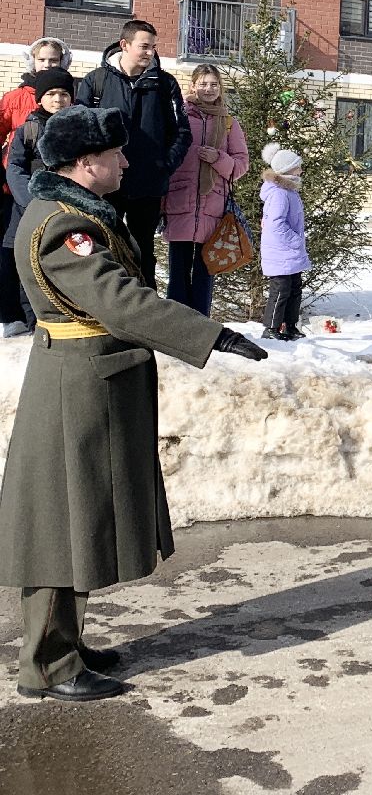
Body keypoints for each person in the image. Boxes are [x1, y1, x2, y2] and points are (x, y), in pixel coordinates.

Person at [0, 106, 265, 702]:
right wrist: (206, 333)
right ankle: (47, 664)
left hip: (87, 381)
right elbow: (119, 301)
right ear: (84, 163)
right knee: (61, 527)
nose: (126, 162)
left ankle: (64, 643)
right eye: (116, 154)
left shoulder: (73, 214)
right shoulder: (66, 228)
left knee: (78, 520)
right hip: (79, 388)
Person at [75, 20, 191, 287]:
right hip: (104, 185)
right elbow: (81, 129)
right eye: (144, 46)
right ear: (125, 45)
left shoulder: (164, 84)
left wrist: (163, 166)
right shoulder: (97, 81)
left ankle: (147, 314)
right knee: (104, 248)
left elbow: (182, 132)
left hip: (147, 184)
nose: (150, 52)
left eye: (153, 47)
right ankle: (107, 307)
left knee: (143, 252)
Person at [163, 65, 249, 316]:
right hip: (180, 202)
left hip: (213, 206)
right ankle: (176, 327)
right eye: (203, 84)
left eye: (213, 84)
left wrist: (217, 158)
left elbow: (241, 165)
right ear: (192, 86)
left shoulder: (229, 123)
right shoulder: (179, 117)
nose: (208, 89)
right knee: (177, 271)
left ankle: (201, 326)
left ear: (220, 88)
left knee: (204, 272)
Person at [1, 38, 70, 337]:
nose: (47, 65)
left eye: (53, 60)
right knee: (14, 255)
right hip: (20, 198)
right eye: (43, 60)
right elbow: (15, 161)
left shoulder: (77, 121)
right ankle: (16, 317)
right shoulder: (19, 108)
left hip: (63, 204)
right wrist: (25, 196)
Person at [259, 143, 310, 341]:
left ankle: (290, 326)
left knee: (294, 288)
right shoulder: (280, 194)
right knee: (280, 290)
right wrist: (295, 240)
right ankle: (270, 328)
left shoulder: (289, 191)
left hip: (290, 252)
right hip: (281, 251)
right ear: (288, 170)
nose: (301, 170)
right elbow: (276, 225)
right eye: (298, 166)